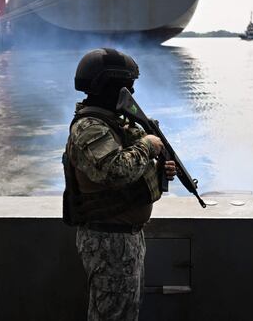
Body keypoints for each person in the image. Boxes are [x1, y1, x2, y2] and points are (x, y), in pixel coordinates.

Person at [62, 48, 177, 321]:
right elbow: (114, 170)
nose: (131, 95)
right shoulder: (90, 127)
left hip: (125, 237)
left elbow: (128, 168)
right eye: (127, 87)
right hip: (107, 239)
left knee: (125, 313)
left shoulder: (113, 124)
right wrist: (147, 146)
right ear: (109, 85)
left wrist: (158, 169)